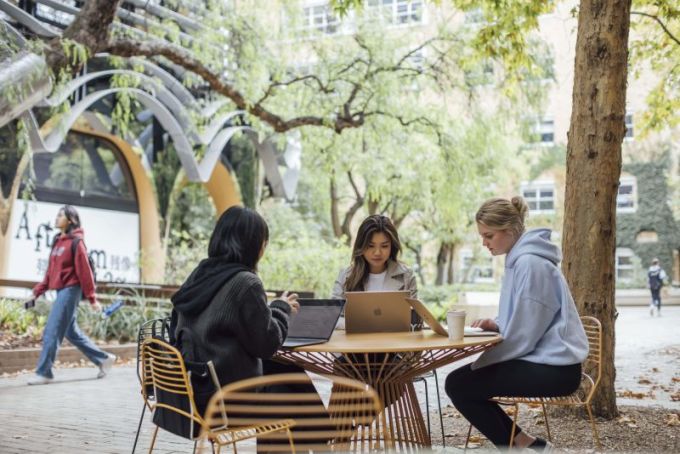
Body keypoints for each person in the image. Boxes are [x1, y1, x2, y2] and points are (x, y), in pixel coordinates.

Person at [445, 196, 588, 452]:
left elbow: (523, 335)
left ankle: (519, 446)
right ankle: (526, 444)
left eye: (488, 236)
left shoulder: (531, 264)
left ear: (510, 230)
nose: (484, 243)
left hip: (557, 369)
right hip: (544, 361)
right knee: (461, 382)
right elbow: (526, 319)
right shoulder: (519, 261)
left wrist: (483, 361)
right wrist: (497, 323)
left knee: (459, 384)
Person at [27, 205, 116, 385]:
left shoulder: (77, 242)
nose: (57, 217)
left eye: (61, 215)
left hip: (71, 289)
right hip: (61, 290)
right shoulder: (57, 241)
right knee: (70, 331)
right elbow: (50, 272)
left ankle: (44, 372)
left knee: (52, 328)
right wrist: (37, 292)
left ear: (70, 220)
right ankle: (104, 359)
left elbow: (85, 272)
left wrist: (92, 298)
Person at [331, 214, 418, 322]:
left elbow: (414, 320)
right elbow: (333, 318)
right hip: (356, 339)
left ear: (392, 246)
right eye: (370, 246)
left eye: (384, 246)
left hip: (395, 339)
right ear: (361, 246)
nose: (377, 253)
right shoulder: (345, 276)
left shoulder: (407, 276)